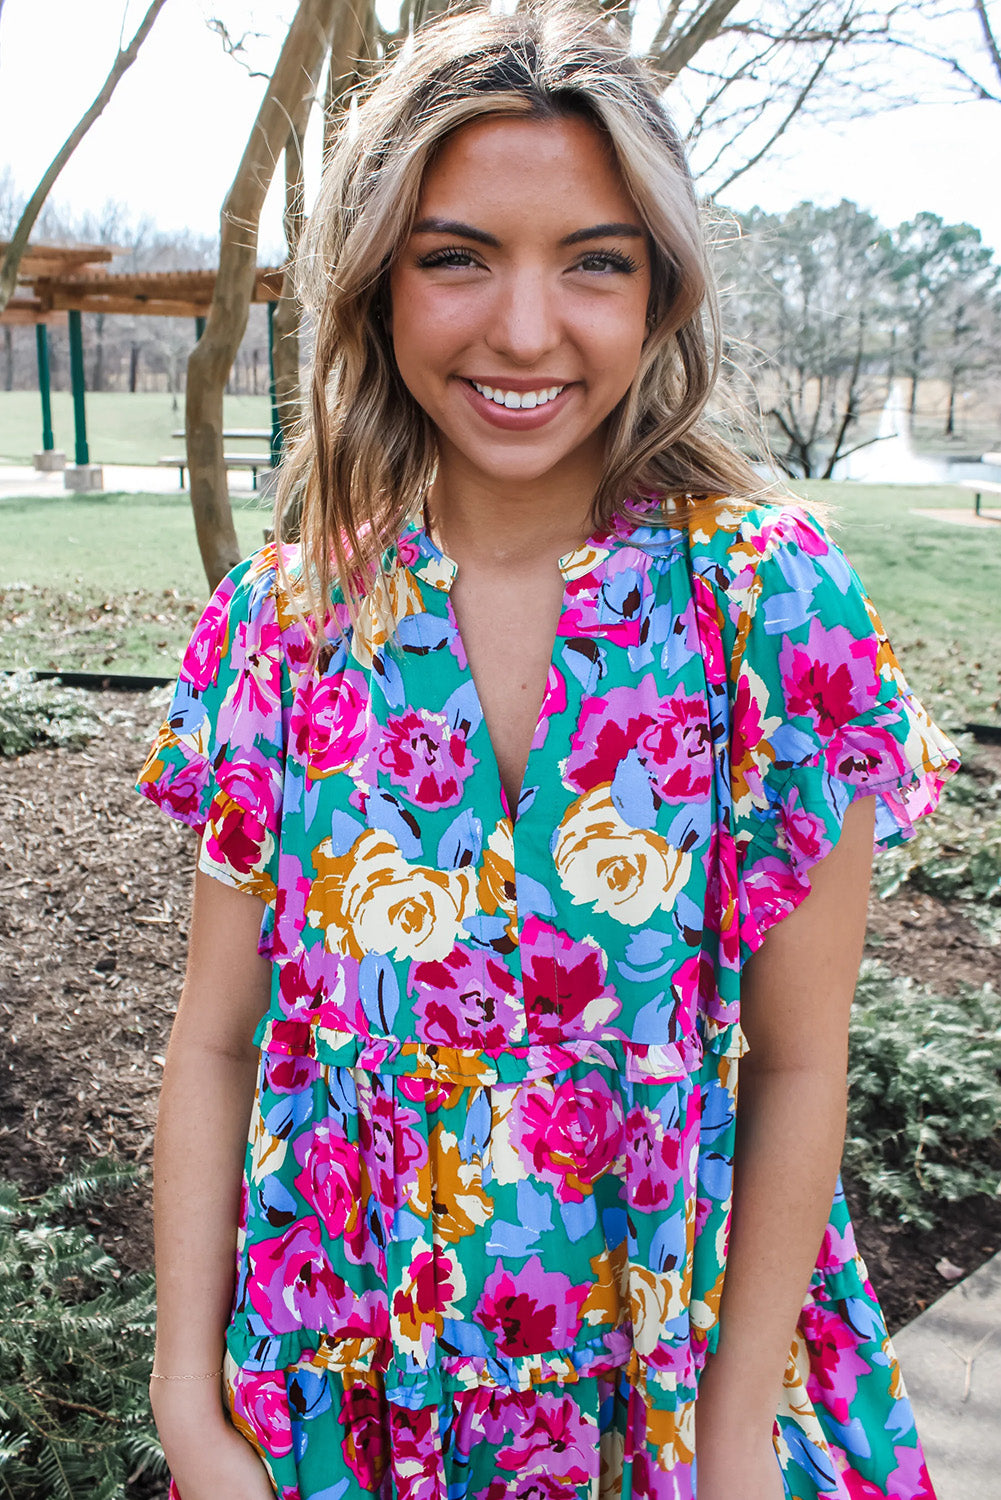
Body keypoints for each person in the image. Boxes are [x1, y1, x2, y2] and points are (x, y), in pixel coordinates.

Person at [135, 5, 960, 1498]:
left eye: (593, 259)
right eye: (457, 256)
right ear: (378, 282)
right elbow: (211, 1045)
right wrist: (190, 1412)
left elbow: (798, 1063)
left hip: (681, 1384)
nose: (525, 329)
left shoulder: (767, 605)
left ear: (660, 294)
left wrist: (722, 1453)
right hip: (344, 1386)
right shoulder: (286, 623)